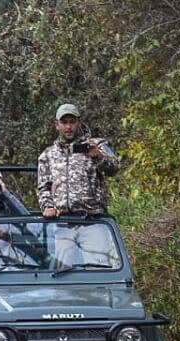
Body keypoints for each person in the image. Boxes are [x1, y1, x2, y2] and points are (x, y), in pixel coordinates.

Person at [37, 103, 120, 265]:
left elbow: (114, 168)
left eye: (72, 122)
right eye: (64, 122)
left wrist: (97, 156)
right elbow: (43, 187)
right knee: (64, 276)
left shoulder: (97, 145)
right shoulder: (48, 154)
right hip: (63, 225)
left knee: (98, 273)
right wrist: (47, 206)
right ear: (57, 125)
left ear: (79, 122)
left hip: (93, 222)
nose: (68, 127)